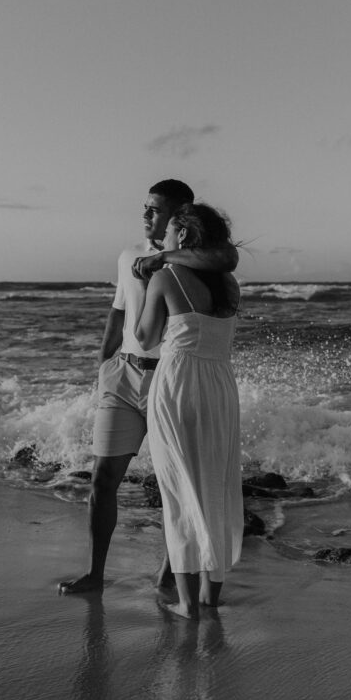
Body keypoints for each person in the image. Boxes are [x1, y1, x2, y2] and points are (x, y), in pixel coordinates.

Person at [59, 180, 238, 595]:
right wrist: (104, 364)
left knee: (175, 483)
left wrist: (163, 259)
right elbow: (118, 312)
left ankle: (168, 575)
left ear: (181, 216)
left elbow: (227, 256)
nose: (145, 216)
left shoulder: (203, 261)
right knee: (103, 478)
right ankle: (95, 574)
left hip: (170, 379)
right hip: (123, 375)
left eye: (155, 210)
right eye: (145, 208)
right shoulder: (129, 256)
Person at [134, 203, 242, 620]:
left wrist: (145, 284)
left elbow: (145, 338)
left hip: (178, 383)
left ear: (182, 235)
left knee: (178, 488)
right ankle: (210, 599)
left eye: (171, 229)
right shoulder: (229, 283)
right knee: (217, 486)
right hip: (219, 386)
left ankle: (184, 602)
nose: (165, 236)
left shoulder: (165, 276)